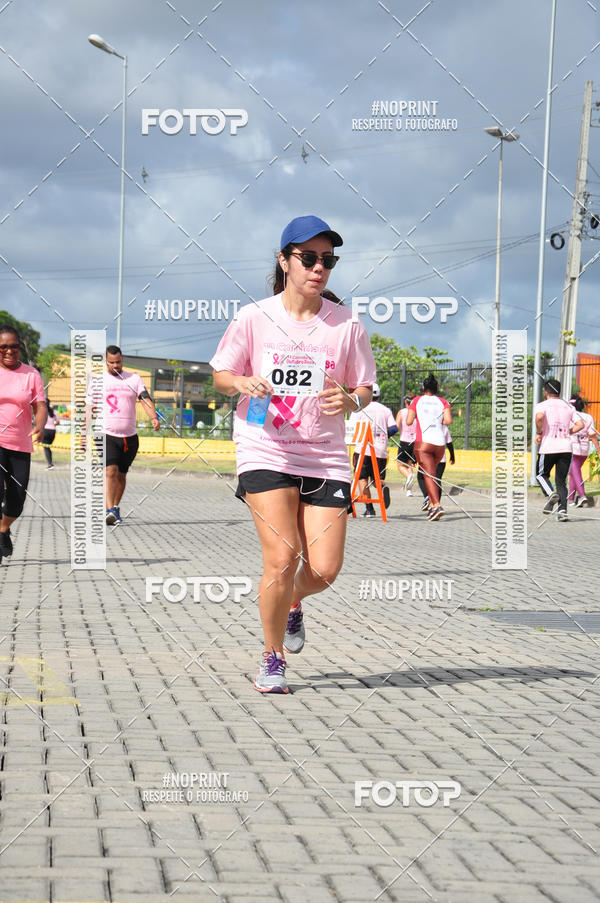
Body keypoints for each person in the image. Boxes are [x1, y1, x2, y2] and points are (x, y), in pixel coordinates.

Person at [210, 215, 375, 694]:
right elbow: (221, 373)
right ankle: (273, 657)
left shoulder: (346, 325)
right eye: (308, 257)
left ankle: (293, 603)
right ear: (284, 261)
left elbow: (365, 386)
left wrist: (352, 400)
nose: (318, 267)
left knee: (323, 569)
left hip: (323, 454)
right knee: (281, 559)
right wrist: (242, 382)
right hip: (265, 447)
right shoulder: (253, 317)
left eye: (327, 259)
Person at [88, 346, 161, 525]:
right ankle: (109, 510)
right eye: (111, 362)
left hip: (129, 437)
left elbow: (144, 397)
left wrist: (153, 417)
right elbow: (90, 408)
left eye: (118, 362)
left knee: (121, 474)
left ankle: (115, 506)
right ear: (105, 361)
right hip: (105, 433)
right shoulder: (98, 380)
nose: (115, 365)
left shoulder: (134, 378)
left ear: (122, 360)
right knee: (110, 470)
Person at [0, 324, 46, 562]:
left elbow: (40, 405)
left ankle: (3, 528)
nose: (9, 351)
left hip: (20, 445)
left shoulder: (31, 375)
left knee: (17, 501)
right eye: (3, 347)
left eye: (14, 347)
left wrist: (39, 424)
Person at [535, 378, 584, 522]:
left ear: (546, 392)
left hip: (548, 447)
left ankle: (551, 494)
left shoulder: (542, 405)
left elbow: (539, 417)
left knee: (540, 474)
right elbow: (580, 424)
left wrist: (539, 432)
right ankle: (562, 512)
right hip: (566, 448)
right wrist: (569, 431)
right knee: (561, 481)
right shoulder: (568, 407)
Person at [405, 373, 452, 521]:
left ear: (423, 388)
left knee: (428, 475)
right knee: (432, 476)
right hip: (440, 444)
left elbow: (408, 420)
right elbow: (448, 420)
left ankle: (437, 505)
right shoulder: (443, 401)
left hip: (423, 443)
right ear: (436, 388)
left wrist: (421, 417)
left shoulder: (417, 400)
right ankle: (432, 506)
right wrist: (436, 421)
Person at [348, 382, 397, 516]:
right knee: (376, 479)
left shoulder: (358, 409)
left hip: (362, 449)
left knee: (362, 478)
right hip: (380, 449)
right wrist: (384, 434)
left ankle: (369, 508)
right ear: (379, 395)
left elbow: (351, 428)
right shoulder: (385, 410)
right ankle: (382, 486)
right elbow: (394, 428)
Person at [567, 395, 599, 508]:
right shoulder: (589, 417)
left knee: (575, 473)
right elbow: (592, 435)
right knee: (574, 473)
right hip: (584, 449)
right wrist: (598, 449)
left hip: (572, 448)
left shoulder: (571, 415)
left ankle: (582, 495)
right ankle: (570, 499)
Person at [417, 423, 455, 512]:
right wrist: (452, 456)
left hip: (426, 458)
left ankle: (427, 497)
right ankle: (436, 505)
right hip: (441, 459)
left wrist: (415, 458)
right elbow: (449, 442)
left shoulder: (425, 426)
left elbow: (419, 442)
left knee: (421, 477)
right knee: (437, 481)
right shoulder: (444, 427)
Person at [395, 396, 417, 496]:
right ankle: (409, 490)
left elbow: (397, 426)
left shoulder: (402, 412)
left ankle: (409, 476)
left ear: (405, 402)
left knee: (400, 465)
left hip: (404, 441)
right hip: (415, 442)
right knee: (409, 464)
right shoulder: (417, 413)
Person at [42, 398, 59, 468]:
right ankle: (50, 463)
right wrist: (53, 425)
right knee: (48, 447)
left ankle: (50, 464)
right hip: (52, 431)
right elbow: (58, 422)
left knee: (46, 447)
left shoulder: (42, 411)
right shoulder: (54, 411)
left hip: (45, 430)